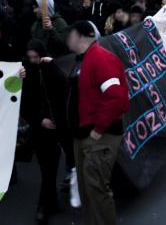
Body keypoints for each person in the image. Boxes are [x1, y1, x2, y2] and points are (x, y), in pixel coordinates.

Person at [67, 21, 129, 225]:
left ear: (83, 36)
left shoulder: (100, 59)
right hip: (85, 134)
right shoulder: (82, 60)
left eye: (72, 35)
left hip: (99, 136)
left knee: (97, 188)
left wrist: (98, 129)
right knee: (88, 190)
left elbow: (115, 97)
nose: (69, 39)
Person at [22, 39, 70, 224]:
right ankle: (47, 205)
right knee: (47, 169)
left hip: (55, 129)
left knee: (50, 168)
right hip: (39, 129)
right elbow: (25, 105)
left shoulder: (51, 70)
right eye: (30, 57)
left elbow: (64, 89)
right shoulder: (26, 73)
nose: (33, 60)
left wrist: (53, 65)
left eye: (37, 57)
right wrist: (40, 119)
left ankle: (46, 205)